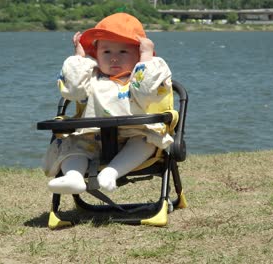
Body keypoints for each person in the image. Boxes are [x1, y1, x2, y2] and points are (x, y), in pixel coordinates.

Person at [43, 13, 174, 194]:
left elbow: (146, 90)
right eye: (106, 52)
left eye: (123, 51)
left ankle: (111, 173)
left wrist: (146, 58)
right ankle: (73, 177)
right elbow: (72, 90)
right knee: (71, 146)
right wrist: (80, 58)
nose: (114, 58)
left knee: (146, 141)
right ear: (95, 55)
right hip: (92, 138)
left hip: (134, 134)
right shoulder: (90, 79)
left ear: (137, 55)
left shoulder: (138, 81)